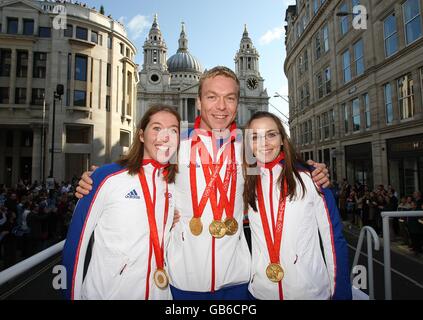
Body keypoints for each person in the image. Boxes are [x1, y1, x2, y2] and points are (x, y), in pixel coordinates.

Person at [75, 66, 331, 300]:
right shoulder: (175, 146)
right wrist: (98, 178)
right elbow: (142, 170)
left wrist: (310, 169)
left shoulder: (249, 150)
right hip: (183, 281)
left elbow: (276, 167)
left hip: (239, 280)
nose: (221, 106)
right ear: (198, 102)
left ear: (237, 103)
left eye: (229, 98)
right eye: (212, 97)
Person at [62, 105, 180, 300]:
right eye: (157, 128)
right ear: (141, 135)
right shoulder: (105, 177)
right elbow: (76, 245)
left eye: (173, 131)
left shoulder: (173, 184)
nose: (165, 137)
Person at [243, 112, 351, 300]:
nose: (264, 143)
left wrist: (341, 294)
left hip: (310, 293)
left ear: (283, 139)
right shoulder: (244, 181)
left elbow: (333, 240)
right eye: (255, 137)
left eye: (271, 134)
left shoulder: (311, 177)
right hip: (260, 293)